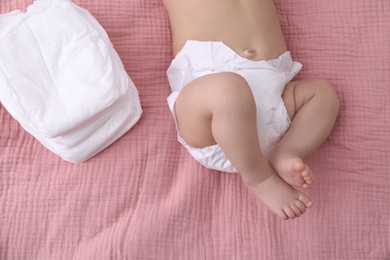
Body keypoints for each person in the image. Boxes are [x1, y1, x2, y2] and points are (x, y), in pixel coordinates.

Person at [163, 0, 340, 220]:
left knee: (322, 93)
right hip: (210, 113)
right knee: (228, 90)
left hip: (274, 99)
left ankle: (287, 151)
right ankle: (260, 178)